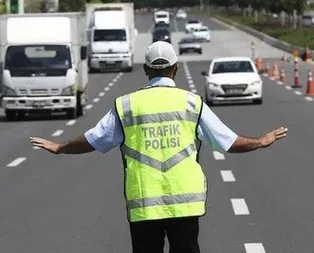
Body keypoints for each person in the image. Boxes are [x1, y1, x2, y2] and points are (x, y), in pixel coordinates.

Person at [30, 41, 288, 253]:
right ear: (175, 69)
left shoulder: (127, 105)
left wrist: (60, 147)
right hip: (185, 204)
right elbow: (227, 141)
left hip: (144, 205)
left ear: (145, 70)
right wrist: (260, 142)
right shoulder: (191, 103)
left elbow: (94, 139)